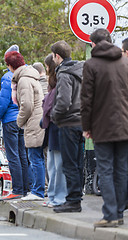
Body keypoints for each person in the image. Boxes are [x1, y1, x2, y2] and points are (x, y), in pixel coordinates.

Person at [80, 29, 128, 227]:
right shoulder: (125, 63)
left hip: (102, 126)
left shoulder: (91, 65)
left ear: (93, 44)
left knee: (106, 170)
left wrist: (86, 126)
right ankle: (119, 212)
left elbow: (86, 99)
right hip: (125, 125)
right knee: (122, 169)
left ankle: (110, 215)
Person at [5, 51, 45, 201]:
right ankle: (36, 190)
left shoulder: (23, 80)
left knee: (35, 158)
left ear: (10, 66)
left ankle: (37, 192)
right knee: (35, 157)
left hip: (33, 121)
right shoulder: (31, 76)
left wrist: (19, 121)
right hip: (38, 119)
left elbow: (26, 105)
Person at [0, 45, 29, 200]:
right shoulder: (28, 73)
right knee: (23, 155)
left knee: (13, 156)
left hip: (11, 120)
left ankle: (17, 190)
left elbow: (3, 102)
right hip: (24, 119)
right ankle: (26, 189)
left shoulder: (8, 77)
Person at [50, 40, 84, 213]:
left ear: (57, 56)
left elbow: (63, 102)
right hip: (82, 121)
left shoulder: (64, 73)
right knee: (78, 163)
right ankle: (77, 197)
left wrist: (54, 115)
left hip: (69, 123)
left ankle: (72, 201)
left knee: (69, 164)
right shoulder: (81, 70)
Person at [41, 53, 67, 208]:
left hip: (56, 125)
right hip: (52, 126)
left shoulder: (57, 82)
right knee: (52, 163)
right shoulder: (53, 82)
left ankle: (57, 197)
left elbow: (50, 105)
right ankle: (53, 196)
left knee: (57, 164)